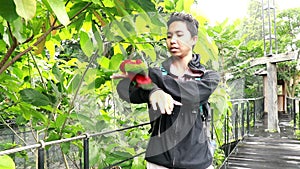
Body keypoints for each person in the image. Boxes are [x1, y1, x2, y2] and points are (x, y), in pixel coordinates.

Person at [112, 12, 220, 169]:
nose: (173, 41)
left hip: (197, 163)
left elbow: (189, 94)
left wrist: (149, 77)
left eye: (179, 35)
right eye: (169, 36)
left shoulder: (208, 77)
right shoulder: (156, 74)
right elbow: (125, 91)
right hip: (159, 163)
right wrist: (153, 91)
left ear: (193, 39)